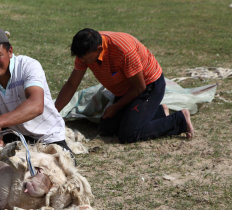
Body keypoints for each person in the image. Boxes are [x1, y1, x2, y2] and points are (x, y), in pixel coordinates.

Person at [55, 28, 194, 143]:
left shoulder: (123, 49)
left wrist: (116, 107)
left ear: (98, 49)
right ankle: (158, 112)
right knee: (107, 128)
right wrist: (54, 113)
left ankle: (179, 120)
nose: (83, 61)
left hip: (148, 87)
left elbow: (140, 88)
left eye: (86, 59)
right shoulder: (85, 52)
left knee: (128, 134)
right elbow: (72, 84)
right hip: (125, 91)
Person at [0, 27, 72, 153]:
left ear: (10, 51)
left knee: (56, 166)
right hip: (15, 136)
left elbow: (36, 105)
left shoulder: (29, 66)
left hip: (47, 137)